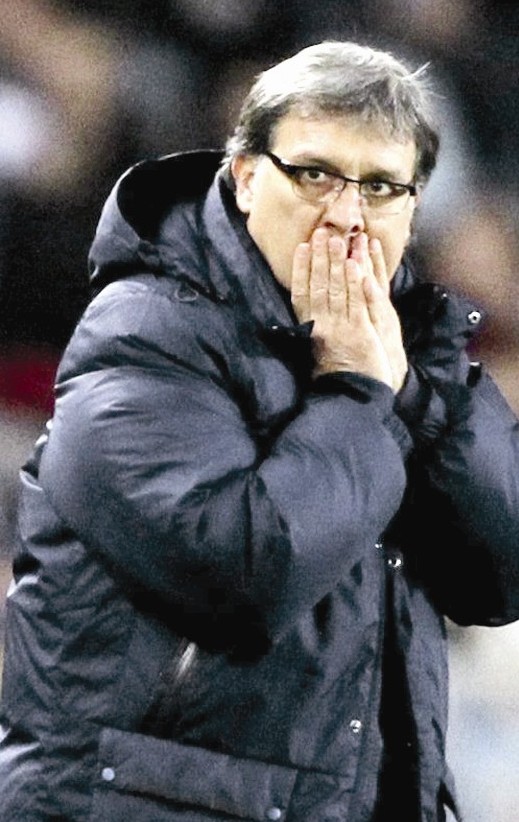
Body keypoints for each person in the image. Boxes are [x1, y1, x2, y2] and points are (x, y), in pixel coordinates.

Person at [1, 40, 519, 822]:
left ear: (413, 207)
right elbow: (245, 575)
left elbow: (500, 576)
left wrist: (408, 393)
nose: (346, 215)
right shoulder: (148, 333)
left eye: (381, 187)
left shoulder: (407, 347)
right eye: (314, 174)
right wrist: (356, 393)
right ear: (243, 176)